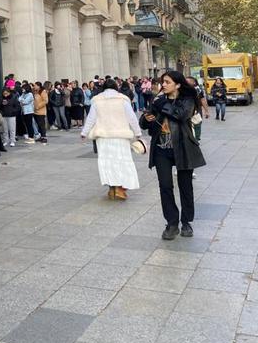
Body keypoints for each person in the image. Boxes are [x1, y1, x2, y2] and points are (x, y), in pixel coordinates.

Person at [140, 71, 206, 241]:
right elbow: (143, 122)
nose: (163, 84)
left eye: (167, 82)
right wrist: (147, 118)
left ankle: (186, 222)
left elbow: (181, 115)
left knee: (185, 186)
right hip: (161, 148)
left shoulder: (188, 100)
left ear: (177, 84)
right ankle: (172, 223)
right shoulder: (159, 100)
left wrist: (161, 104)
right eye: (163, 82)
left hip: (183, 147)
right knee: (165, 186)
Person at [81, 78, 142, 200]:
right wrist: (137, 132)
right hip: (121, 136)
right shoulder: (123, 100)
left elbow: (91, 118)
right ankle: (120, 188)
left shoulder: (97, 101)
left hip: (103, 137)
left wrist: (84, 132)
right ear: (116, 88)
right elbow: (132, 118)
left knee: (107, 162)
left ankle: (112, 188)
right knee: (122, 161)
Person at [186, 76, 209, 141]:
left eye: (188, 81)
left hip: (197, 110)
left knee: (197, 124)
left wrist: (206, 111)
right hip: (186, 111)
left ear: (194, 82)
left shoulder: (198, 90)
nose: (186, 82)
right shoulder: (183, 89)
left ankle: (196, 139)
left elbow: (203, 100)